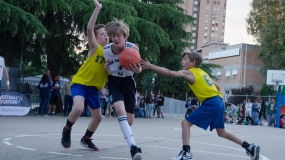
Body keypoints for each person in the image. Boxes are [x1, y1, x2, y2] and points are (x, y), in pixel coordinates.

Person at [141, 51, 260, 160]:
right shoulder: (203, 73)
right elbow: (218, 87)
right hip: (219, 101)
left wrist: (151, 66)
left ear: (193, 62)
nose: (182, 62)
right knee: (221, 133)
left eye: (185, 59)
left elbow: (168, 72)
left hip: (211, 102)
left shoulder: (190, 72)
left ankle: (186, 153)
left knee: (185, 123)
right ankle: (249, 147)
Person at [61, 0, 109, 151]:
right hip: (80, 83)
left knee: (98, 117)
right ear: (96, 37)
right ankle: (67, 129)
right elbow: (89, 28)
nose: (105, 36)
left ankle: (86, 138)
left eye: (107, 34)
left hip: (94, 89)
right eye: (102, 34)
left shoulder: (111, 54)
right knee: (78, 109)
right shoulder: (96, 48)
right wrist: (97, 9)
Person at [104, 18, 142, 159]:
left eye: (119, 35)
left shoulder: (133, 49)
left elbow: (139, 69)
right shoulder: (106, 50)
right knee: (120, 110)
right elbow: (106, 70)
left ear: (125, 36)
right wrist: (106, 69)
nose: (116, 38)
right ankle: (133, 147)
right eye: (113, 36)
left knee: (130, 121)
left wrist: (137, 70)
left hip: (129, 82)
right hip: (114, 82)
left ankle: (125, 126)